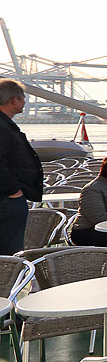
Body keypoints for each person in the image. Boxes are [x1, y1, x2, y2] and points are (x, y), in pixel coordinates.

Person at [0, 80, 42, 256]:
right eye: (23, 98)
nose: (25, 102)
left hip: (8, 198)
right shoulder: (2, 127)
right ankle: (8, 284)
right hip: (8, 200)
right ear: (13, 100)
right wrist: (14, 191)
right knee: (10, 254)